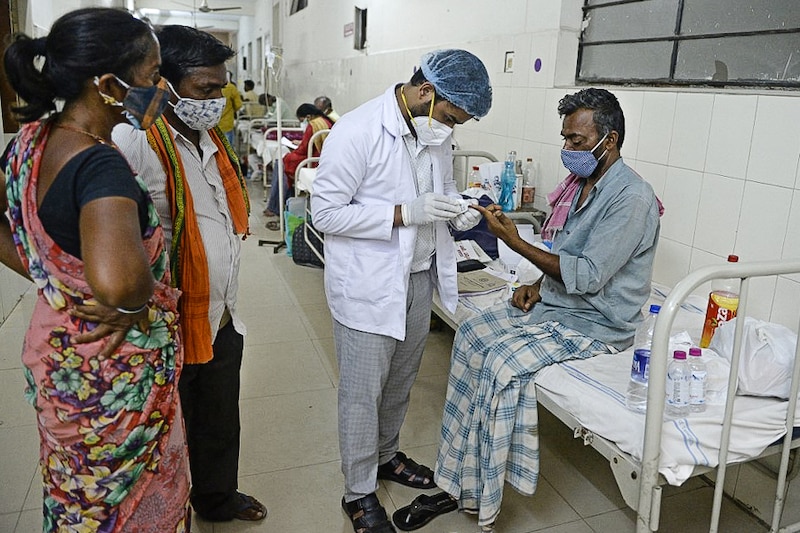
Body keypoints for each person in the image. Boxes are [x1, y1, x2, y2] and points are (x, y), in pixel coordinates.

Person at [393, 88, 662, 532]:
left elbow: (590, 274)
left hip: (598, 323)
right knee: (473, 336)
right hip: (559, 303)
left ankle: (483, 496)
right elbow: (572, 253)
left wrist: (513, 240)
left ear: (608, 140)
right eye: (565, 139)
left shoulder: (632, 198)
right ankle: (454, 478)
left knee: (500, 365)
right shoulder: (582, 185)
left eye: (577, 141)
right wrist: (537, 284)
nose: (568, 149)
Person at [0, 8, 189, 532]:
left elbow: (18, 234)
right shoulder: (100, 164)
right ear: (108, 84)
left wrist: (55, 280)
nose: (161, 89)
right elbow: (118, 280)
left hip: (61, 361)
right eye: (152, 77)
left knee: (78, 495)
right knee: (130, 506)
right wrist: (130, 299)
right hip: (112, 378)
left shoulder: (29, 144)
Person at [311, 49, 491, 533]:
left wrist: (461, 209)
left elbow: (442, 188)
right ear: (427, 92)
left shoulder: (434, 133)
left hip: (417, 277)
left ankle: (386, 456)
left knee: (399, 383)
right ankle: (359, 491)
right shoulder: (358, 131)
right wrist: (402, 213)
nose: (453, 128)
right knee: (361, 394)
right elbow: (324, 214)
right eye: (452, 116)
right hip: (369, 285)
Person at [112, 25, 267, 523]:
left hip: (217, 311)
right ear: (165, 84)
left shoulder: (210, 137)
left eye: (220, 87)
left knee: (219, 415)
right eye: (203, 89)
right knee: (165, 426)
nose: (214, 100)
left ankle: (217, 498)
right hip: (164, 318)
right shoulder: (134, 141)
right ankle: (168, 508)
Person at [263, 103, 335, 223]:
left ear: (308, 116)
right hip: (320, 157)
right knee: (283, 162)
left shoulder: (313, 124)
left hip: (311, 159)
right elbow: (313, 143)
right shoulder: (325, 121)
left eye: (302, 120)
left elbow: (304, 150)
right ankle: (281, 204)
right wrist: (301, 143)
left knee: (282, 162)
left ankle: (275, 206)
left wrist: (296, 147)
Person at [219, 71, 243, 145]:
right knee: (228, 149)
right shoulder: (231, 88)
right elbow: (238, 105)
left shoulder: (210, 87)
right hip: (227, 124)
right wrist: (231, 109)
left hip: (211, 126)